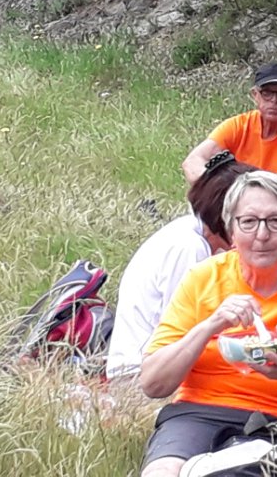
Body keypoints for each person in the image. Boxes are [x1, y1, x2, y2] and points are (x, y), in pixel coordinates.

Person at [139, 172, 277, 477]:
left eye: (275, 221)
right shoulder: (203, 278)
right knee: (162, 472)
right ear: (231, 230)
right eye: (249, 222)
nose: (262, 234)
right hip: (201, 414)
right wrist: (210, 325)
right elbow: (153, 383)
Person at [106, 151, 254, 383]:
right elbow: (179, 331)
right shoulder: (189, 248)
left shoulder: (190, 235)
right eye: (249, 219)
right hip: (140, 375)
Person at [182, 63, 277, 194]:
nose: (274, 100)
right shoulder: (238, 126)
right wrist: (221, 188)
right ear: (255, 95)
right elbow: (192, 162)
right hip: (234, 201)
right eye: (267, 93)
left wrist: (248, 186)